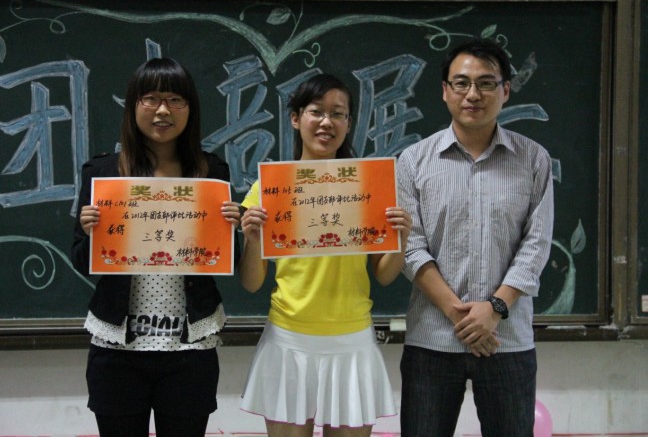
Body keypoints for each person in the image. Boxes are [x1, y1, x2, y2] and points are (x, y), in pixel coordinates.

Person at [71, 58, 240, 437]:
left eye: (175, 100)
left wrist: (232, 229)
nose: (163, 110)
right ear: (133, 106)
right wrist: (90, 231)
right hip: (118, 348)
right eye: (151, 98)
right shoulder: (104, 174)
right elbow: (81, 261)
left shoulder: (211, 173)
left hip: (189, 348)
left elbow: (229, 261)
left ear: (190, 109)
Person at [238, 73, 412, 437]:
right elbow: (252, 283)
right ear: (296, 117)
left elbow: (384, 275)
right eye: (316, 111)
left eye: (338, 114)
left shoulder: (368, 186)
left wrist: (401, 237)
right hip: (288, 340)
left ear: (348, 123)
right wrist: (252, 240)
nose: (326, 122)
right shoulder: (269, 188)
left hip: (352, 341)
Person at [397, 38, 554, 437]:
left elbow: (536, 244)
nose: (473, 95)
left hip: (506, 340)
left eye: (486, 83)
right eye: (462, 83)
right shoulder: (413, 161)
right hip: (433, 340)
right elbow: (409, 246)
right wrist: (460, 315)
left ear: (506, 90)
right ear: (445, 90)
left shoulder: (533, 159)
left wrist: (495, 309)